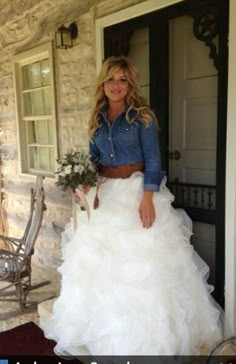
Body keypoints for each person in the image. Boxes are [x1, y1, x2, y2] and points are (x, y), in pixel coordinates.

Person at [44, 56, 224, 355]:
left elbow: (154, 159)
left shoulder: (142, 117)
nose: (116, 85)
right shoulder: (97, 118)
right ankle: (105, 339)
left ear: (130, 84)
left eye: (123, 80)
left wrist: (148, 197)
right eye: (111, 79)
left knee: (143, 269)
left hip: (136, 190)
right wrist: (84, 184)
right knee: (101, 267)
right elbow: (93, 159)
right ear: (103, 83)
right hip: (106, 193)